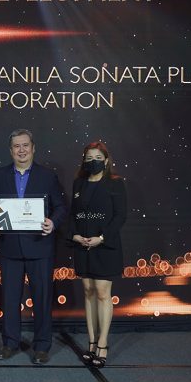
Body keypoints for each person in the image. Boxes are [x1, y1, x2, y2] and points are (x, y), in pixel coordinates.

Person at [0, 129, 67, 365]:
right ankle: (10, 343)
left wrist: (53, 222)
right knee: (10, 300)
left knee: (42, 299)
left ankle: (41, 347)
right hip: (10, 247)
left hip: (40, 247)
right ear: (10, 150)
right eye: (16, 146)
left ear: (33, 148)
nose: (21, 150)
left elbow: (60, 207)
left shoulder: (48, 176)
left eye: (25, 145)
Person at [70, 141, 127, 368]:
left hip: (105, 246)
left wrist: (101, 238)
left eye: (97, 158)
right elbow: (73, 214)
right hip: (82, 245)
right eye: (89, 158)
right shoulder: (78, 183)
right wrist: (75, 236)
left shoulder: (115, 183)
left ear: (106, 160)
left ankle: (103, 344)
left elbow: (120, 216)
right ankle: (92, 343)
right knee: (88, 292)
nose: (92, 162)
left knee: (103, 292)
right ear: (84, 160)